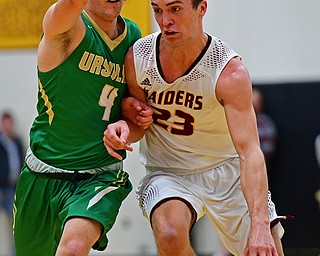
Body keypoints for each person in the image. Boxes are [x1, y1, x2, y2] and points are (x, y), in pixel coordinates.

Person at [103, 0, 291, 255]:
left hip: (228, 171)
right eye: (158, 10)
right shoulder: (138, 58)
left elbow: (249, 151)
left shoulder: (228, 71)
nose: (165, 20)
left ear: (201, 8)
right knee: (170, 234)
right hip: (169, 170)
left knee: (266, 248)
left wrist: (259, 223)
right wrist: (124, 126)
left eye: (175, 9)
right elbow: (138, 127)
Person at [13, 0, 149, 255]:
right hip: (41, 174)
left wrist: (125, 127)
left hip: (99, 175)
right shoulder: (65, 26)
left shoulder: (134, 38)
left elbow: (138, 120)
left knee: (73, 248)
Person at [0, 111, 24, 256]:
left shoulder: (17, 141)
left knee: (18, 220)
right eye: (6, 123)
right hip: (5, 188)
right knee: (15, 221)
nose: (9, 126)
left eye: (10, 123)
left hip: (16, 187)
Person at [252, 87, 278, 170]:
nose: (254, 108)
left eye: (256, 104)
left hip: (260, 164)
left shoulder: (266, 124)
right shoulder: (236, 122)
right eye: (251, 104)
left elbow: (268, 149)